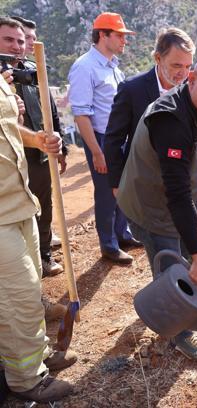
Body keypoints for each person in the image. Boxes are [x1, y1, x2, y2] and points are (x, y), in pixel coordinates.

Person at [117, 53, 197, 362]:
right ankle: (179, 331)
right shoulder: (171, 119)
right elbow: (175, 194)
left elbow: (186, 184)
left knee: (187, 251)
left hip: (176, 196)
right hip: (152, 207)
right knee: (172, 269)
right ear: (192, 78)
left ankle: (179, 307)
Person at [0, 71, 76, 403]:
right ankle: (26, 379)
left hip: (19, 203)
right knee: (16, 298)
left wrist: (38, 140)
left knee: (32, 294)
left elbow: (7, 130)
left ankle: (40, 356)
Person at [67, 12, 138, 264]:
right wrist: (97, 151)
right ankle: (108, 244)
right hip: (102, 137)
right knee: (107, 192)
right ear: (102, 35)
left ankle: (122, 233)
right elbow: (81, 115)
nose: (124, 41)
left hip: (119, 136)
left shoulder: (113, 66)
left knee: (122, 186)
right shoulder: (85, 67)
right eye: (119, 35)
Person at [0, 17, 68, 277]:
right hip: (7, 163)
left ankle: (43, 257)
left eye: (21, 41)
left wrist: (59, 145)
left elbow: (49, 110)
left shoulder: (32, 69)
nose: (18, 46)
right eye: (10, 40)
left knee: (43, 207)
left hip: (37, 152)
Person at [105, 27, 195, 193]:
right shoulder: (131, 90)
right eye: (176, 65)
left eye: (188, 66)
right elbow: (113, 139)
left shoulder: (191, 92)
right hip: (141, 185)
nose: (183, 73)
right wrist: (117, 183)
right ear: (158, 58)